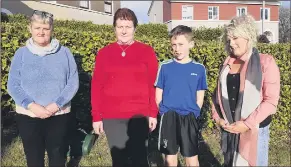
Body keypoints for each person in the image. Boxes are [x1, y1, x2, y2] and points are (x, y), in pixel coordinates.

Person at [7, 10, 79, 167]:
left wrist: (56, 104)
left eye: (45, 28)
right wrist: (32, 105)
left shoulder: (65, 53)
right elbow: (13, 84)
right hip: (28, 115)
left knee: (58, 155)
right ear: (30, 28)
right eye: (37, 27)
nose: (41, 32)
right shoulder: (21, 54)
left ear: (52, 29)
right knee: (33, 157)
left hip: (59, 114)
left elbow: (73, 82)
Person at [91, 8, 158, 167]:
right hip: (112, 116)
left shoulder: (146, 51)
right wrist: (96, 117)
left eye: (128, 26)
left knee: (140, 159)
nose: (124, 31)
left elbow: (153, 84)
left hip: (139, 116)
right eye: (120, 26)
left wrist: (153, 113)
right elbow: (96, 86)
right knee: (119, 160)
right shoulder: (104, 53)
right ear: (114, 27)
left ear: (135, 28)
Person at [212, 15, 280, 167]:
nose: (231, 43)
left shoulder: (265, 62)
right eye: (229, 39)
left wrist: (246, 124)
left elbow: (271, 101)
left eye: (235, 38)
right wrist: (218, 119)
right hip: (230, 129)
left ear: (248, 36)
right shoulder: (226, 64)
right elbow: (216, 97)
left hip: (255, 130)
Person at [155, 25, 208, 166]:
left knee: (191, 158)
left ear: (191, 44)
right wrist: (163, 111)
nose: (177, 49)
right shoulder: (164, 67)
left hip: (189, 117)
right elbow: (159, 91)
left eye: (181, 44)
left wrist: (195, 112)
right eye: (174, 45)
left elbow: (200, 95)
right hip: (169, 116)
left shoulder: (199, 69)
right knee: (170, 158)